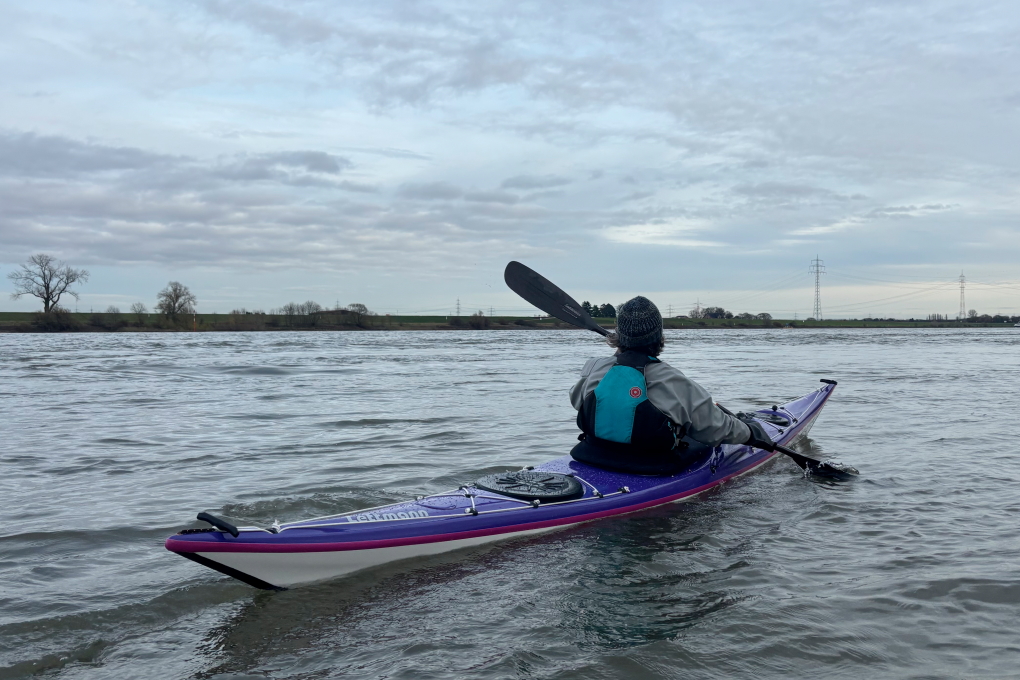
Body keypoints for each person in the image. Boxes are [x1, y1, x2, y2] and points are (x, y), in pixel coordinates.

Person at [569, 296, 774, 474]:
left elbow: (576, 399)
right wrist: (750, 432)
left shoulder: (594, 368)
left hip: (592, 455)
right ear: (659, 337)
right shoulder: (676, 383)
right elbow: (715, 429)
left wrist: (619, 356)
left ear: (619, 337)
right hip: (652, 465)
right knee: (698, 437)